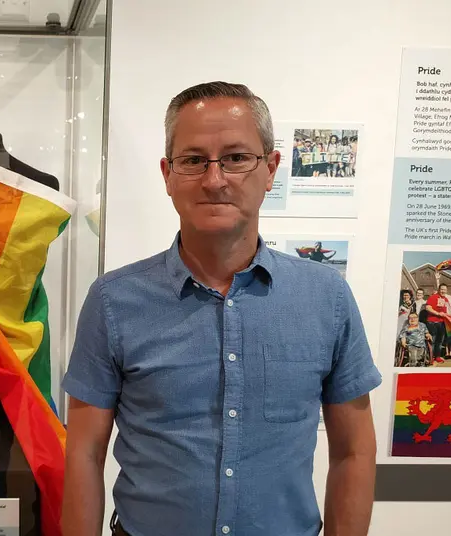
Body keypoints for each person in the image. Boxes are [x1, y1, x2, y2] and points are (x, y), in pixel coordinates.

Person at [62, 82, 381, 536]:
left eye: (236, 158)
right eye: (193, 161)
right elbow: (84, 454)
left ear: (270, 169)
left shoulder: (327, 298)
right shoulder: (113, 301)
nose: (215, 180)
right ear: (167, 174)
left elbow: (353, 452)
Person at [424, 284, 451, 363]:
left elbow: (448, 310)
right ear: (439, 290)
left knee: (440, 341)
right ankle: (430, 357)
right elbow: (428, 308)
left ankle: (437, 357)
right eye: (441, 289)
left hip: (442, 323)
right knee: (433, 340)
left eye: (444, 290)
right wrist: (437, 314)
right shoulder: (433, 297)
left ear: (446, 291)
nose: (443, 291)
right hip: (432, 322)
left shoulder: (446, 299)